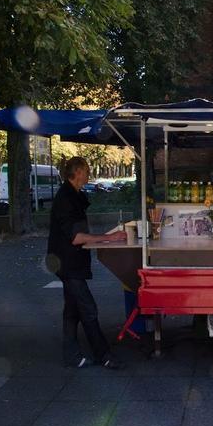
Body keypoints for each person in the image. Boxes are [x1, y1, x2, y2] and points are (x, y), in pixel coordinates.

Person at [46, 156, 126, 369]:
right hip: (68, 263)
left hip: (67, 262)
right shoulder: (66, 199)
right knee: (88, 309)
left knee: (72, 310)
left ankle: (71, 355)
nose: (89, 172)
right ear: (78, 172)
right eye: (87, 169)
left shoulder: (73, 195)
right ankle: (104, 355)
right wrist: (109, 238)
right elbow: (76, 237)